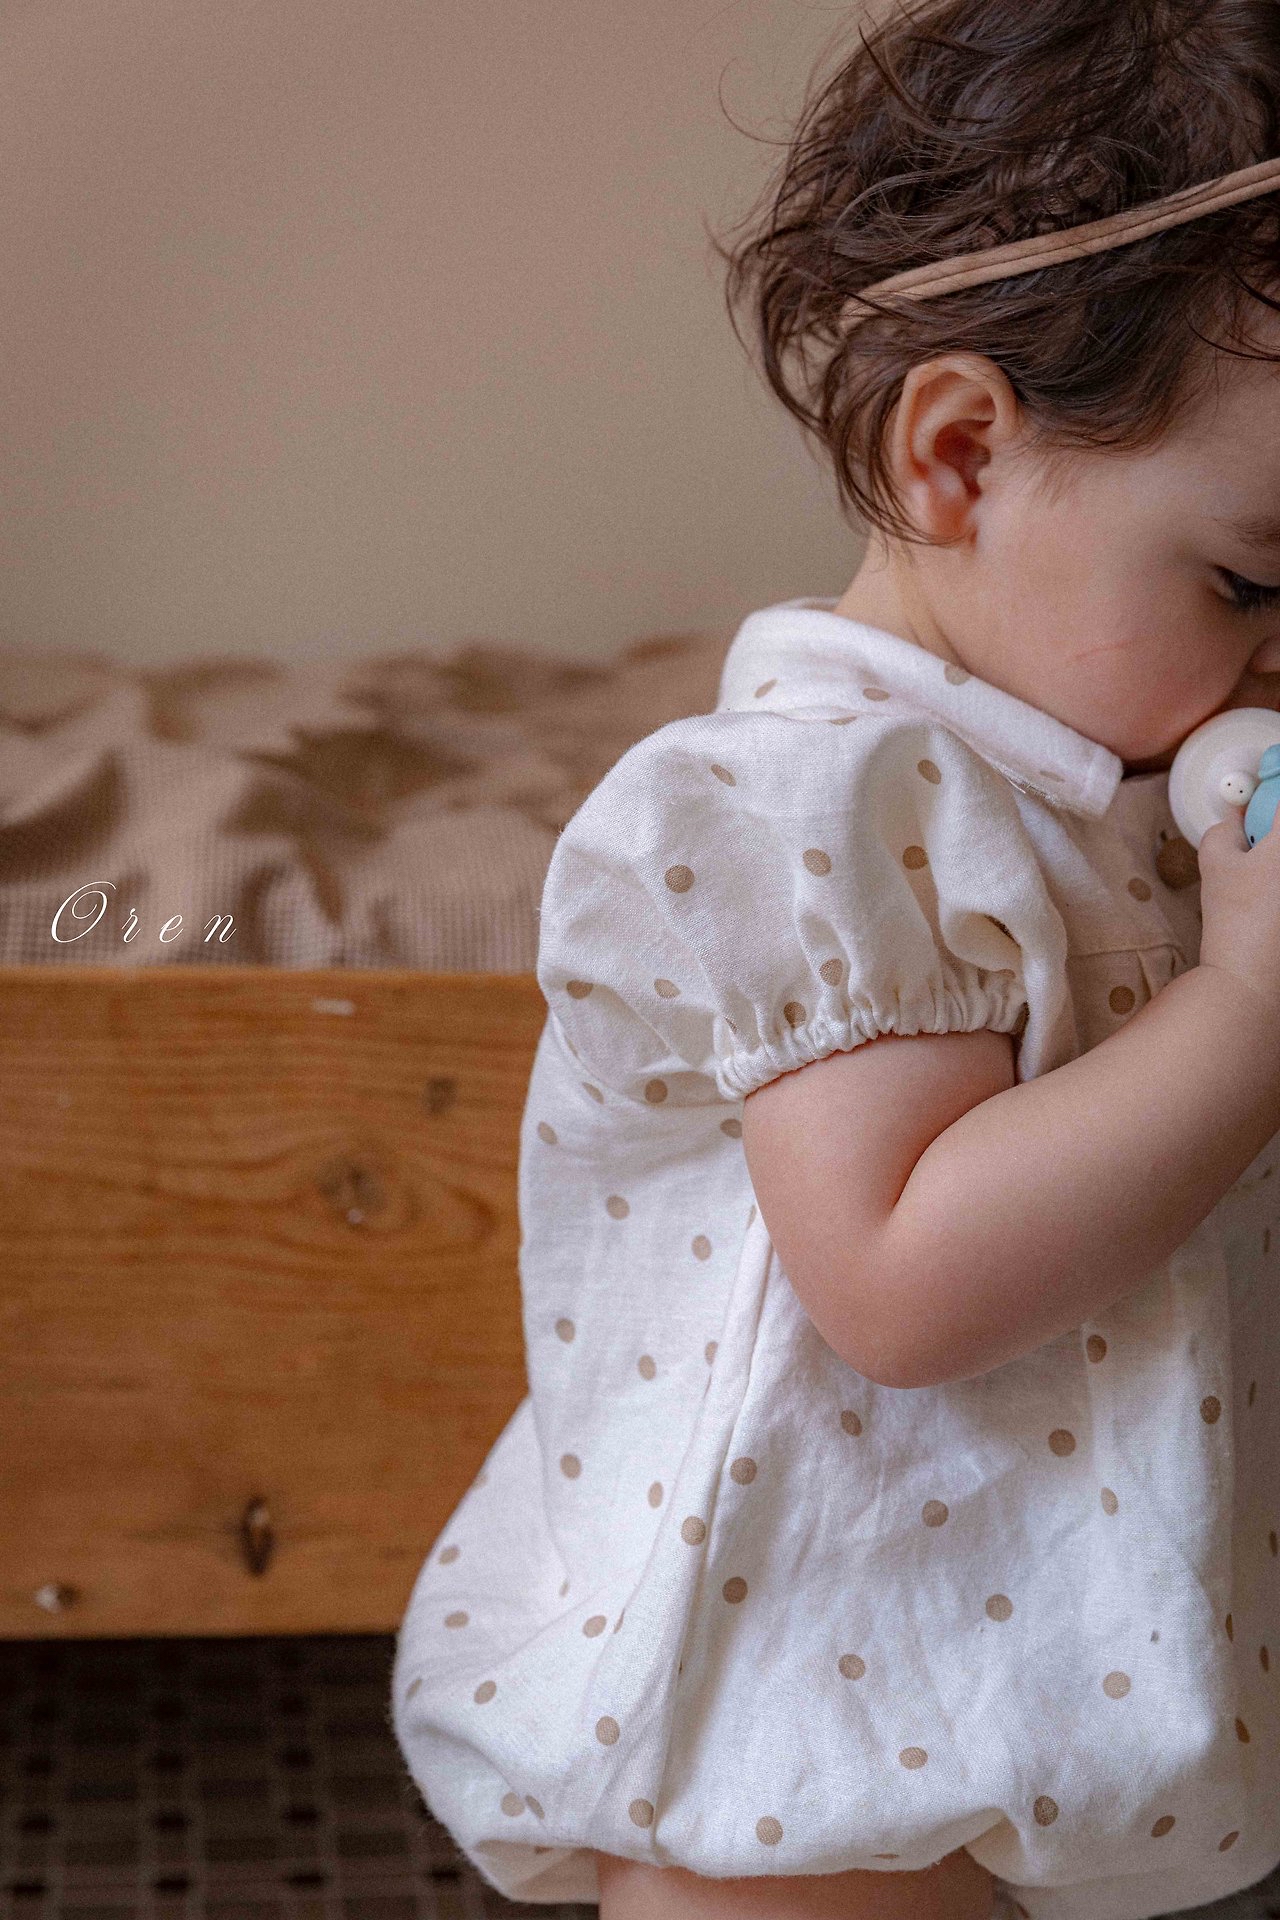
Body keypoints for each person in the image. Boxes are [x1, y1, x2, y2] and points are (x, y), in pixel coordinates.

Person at [391, 3, 1280, 1915]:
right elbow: (898, 1277)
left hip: (1025, 1663)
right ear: (955, 455)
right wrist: (1252, 1005)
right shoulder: (819, 807)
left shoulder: (1121, 786)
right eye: (1249, 582)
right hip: (810, 1723)